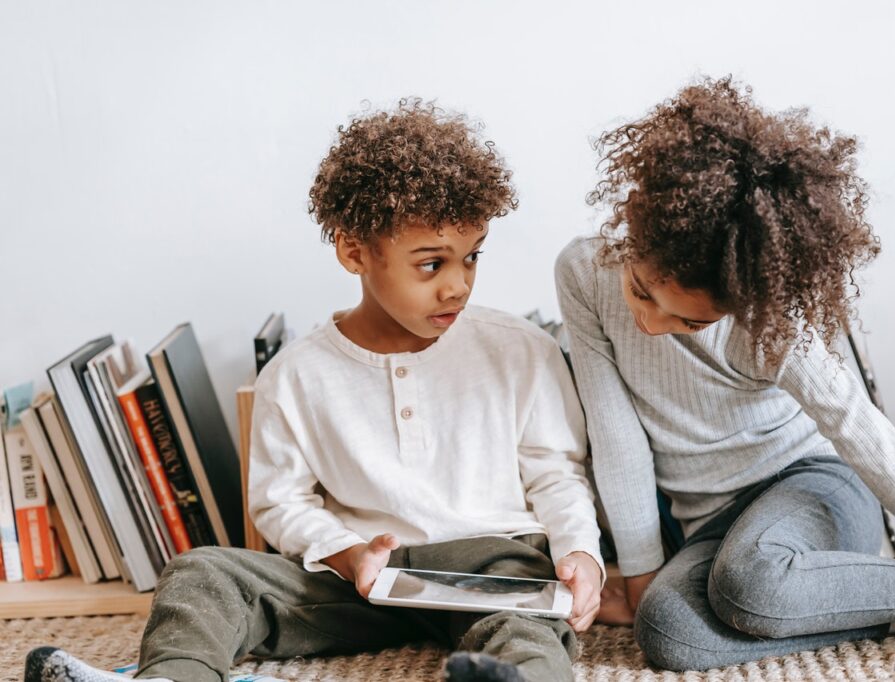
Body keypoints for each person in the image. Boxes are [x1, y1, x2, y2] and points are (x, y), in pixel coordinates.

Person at [26, 99, 603, 682]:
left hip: (490, 568)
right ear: (354, 252)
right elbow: (281, 500)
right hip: (363, 581)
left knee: (527, 625)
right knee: (203, 573)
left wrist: (580, 554)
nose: (458, 285)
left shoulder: (521, 348)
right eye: (431, 265)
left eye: (471, 258)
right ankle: (173, 676)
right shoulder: (296, 373)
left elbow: (556, 472)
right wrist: (345, 553)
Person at [555, 77, 895, 672]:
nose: (649, 324)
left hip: (815, 485)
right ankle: (889, 604)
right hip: (711, 524)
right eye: (641, 292)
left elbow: (871, 445)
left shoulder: (770, 322)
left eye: (689, 321)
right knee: (667, 631)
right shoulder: (581, 271)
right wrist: (644, 573)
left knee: (752, 582)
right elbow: (615, 434)